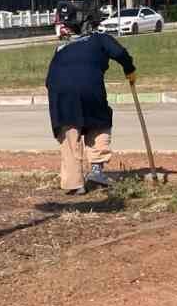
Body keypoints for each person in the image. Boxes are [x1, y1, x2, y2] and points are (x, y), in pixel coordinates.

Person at [46, 25, 136, 194]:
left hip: (59, 91)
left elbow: (48, 79)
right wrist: (129, 69)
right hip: (89, 87)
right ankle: (96, 171)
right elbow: (119, 53)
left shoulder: (61, 48)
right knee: (99, 123)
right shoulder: (99, 38)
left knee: (69, 131)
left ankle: (74, 184)